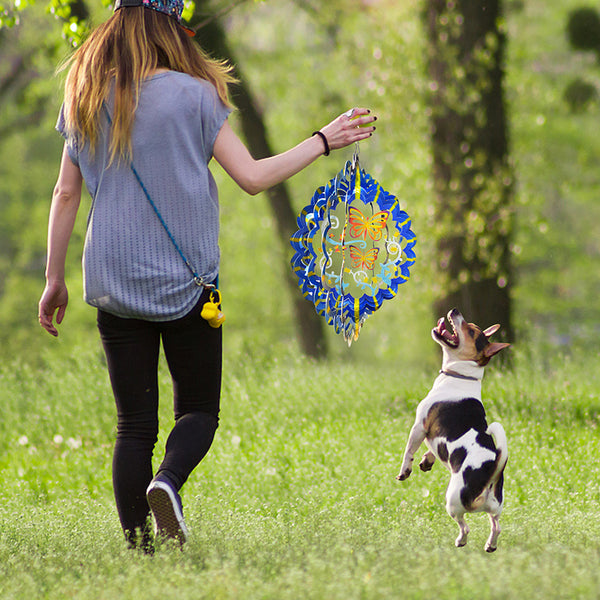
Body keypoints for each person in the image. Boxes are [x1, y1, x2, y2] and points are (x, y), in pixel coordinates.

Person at [38, 0, 377, 552]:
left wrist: (54, 278)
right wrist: (322, 140)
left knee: (133, 427)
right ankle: (166, 482)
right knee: (198, 410)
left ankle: (140, 553)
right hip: (189, 283)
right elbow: (252, 177)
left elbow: (66, 192)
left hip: (113, 282)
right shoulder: (195, 94)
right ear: (172, 25)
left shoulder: (85, 92)